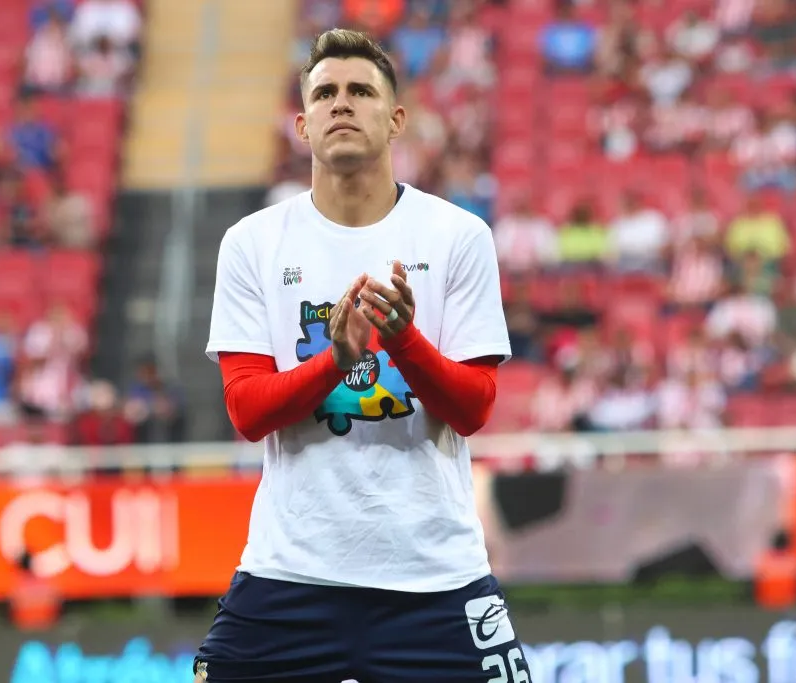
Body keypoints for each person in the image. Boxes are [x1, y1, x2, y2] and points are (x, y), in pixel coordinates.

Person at [196, 29, 524, 683]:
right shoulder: (252, 243)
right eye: (324, 93)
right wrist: (336, 361)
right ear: (302, 122)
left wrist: (401, 338)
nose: (340, 104)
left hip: (434, 574)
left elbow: (474, 408)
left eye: (359, 90)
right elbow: (247, 410)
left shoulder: (458, 236)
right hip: (289, 573)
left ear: (396, 117)